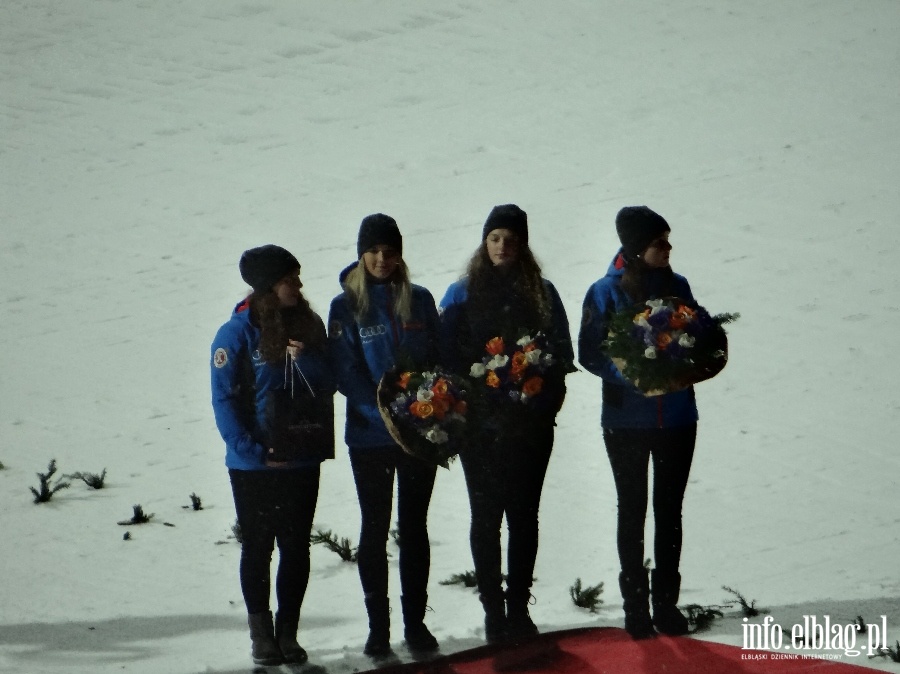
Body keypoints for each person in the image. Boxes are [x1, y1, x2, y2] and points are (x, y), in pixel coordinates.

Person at [439, 204, 575, 644]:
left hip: (530, 428)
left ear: (523, 245)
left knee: (524, 517)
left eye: (511, 239)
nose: (502, 246)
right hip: (480, 429)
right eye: (495, 238)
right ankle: (493, 612)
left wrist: (541, 402)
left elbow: (560, 357)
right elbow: (446, 360)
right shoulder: (460, 294)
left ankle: (519, 607)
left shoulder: (542, 292)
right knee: (485, 518)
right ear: (484, 243)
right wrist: (475, 404)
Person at [211, 245, 335, 666]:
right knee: (259, 547)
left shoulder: (310, 323)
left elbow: (327, 382)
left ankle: (289, 632)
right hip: (255, 465)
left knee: (296, 546)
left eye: (297, 278)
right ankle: (261, 635)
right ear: (267, 286)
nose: (298, 286)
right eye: (289, 280)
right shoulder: (236, 333)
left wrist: (309, 361)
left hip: (302, 457)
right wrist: (255, 451)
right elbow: (224, 402)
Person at [578, 206, 698, 640]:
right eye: (658, 243)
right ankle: (634, 606)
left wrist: (689, 364)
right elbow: (589, 353)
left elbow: (698, 338)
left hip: (679, 418)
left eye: (667, 241)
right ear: (635, 248)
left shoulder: (679, 285)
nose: (667, 249)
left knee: (670, 511)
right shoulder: (605, 292)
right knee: (632, 510)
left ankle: (666, 604)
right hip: (626, 420)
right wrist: (634, 375)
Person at [327, 213, 442, 657]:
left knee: (414, 528)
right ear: (361, 255)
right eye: (373, 251)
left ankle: (416, 623)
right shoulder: (347, 307)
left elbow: (438, 358)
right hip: (371, 437)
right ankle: (378, 626)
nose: (381, 258)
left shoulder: (420, 299)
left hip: (420, 434)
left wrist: (430, 411)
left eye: (389, 251)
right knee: (374, 529)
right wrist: (385, 416)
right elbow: (346, 371)